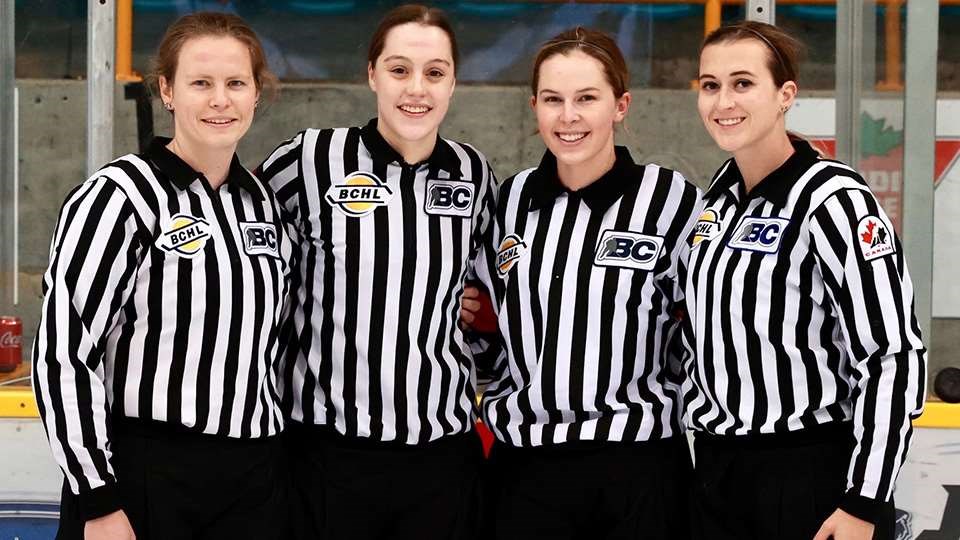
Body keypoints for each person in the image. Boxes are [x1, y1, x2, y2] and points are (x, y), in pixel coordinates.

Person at [31, 12, 292, 540]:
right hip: (145, 477)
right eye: (201, 83)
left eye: (236, 83)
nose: (220, 100)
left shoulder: (261, 203)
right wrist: (96, 498)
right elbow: (63, 354)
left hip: (253, 481)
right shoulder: (119, 196)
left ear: (255, 94)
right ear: (168, 90)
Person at [256, 4, 496, 539]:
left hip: (441, 454)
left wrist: (469, 307)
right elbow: (237, 249)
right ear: (371, 74)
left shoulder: (473, 172)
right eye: (399, 69)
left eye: (435, 72)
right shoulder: (310, 159)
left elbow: (489, 283)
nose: (417, 88)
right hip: (326, 452)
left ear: (454, 81)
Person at [681, 21, 926, 540]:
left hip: (810, 476)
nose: (723, 100)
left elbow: (892, 355)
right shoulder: (715, 204)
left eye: (743, 83)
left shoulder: (833, 199)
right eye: (710, 85)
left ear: (785, 94)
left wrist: (864, 500)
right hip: (717, 474)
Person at [467, 27, 701, 540]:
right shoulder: (510, 201)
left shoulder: (672, 201)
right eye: (552, 100)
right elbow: (480, 323)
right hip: (524, 472)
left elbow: (707, 330)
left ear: (620, 105)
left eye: (586, 99)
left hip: (637, 469)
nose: (568, 116)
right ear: (534, 106)